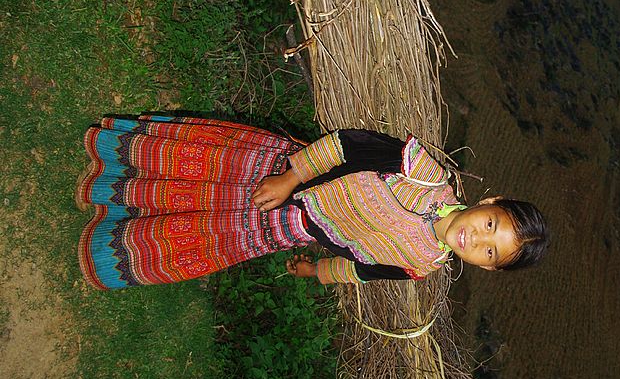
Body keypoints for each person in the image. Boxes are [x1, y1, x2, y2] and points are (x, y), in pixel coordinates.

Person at [76, 115, 548, 289]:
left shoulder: (420, 265)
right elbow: (347, 145)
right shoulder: (423, 172)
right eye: (491, 224)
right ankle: (114, 177)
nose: (478, 238)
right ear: (491, 200)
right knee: (201, 177)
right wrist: (289, 177)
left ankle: (117, 233)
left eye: (490, 251)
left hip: (282, 232)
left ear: (487, 268)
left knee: (205, 231)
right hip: (279, 175)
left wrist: (314, 271)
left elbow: (360, 269)